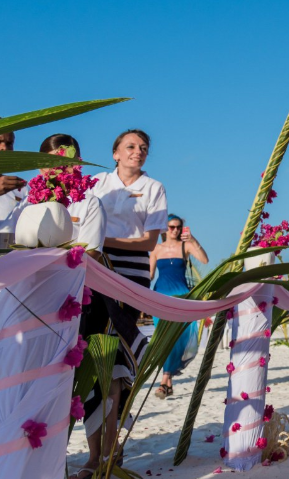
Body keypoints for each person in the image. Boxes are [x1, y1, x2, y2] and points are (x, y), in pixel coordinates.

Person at [77, 129, 167, 477]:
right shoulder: (97, 183)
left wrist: (98, 240)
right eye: (130, 146)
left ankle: (110, 451)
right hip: (94, 274)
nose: (137, 151)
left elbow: (148, 243)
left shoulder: (154, 187)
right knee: (92, 358)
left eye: (143, 147)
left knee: (117, 362)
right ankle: (94, 454)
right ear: (115, 152)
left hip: (130, 280)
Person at [149, 214, 208, 398]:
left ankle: (164, 380)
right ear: (165, 229)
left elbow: (204, 260)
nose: (175, 230)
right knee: (163, 338)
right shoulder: (156, 249)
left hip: (182, 297)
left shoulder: (186, 246)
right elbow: (149, 275)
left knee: (178, 338)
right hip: (160, 297)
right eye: (171, 227)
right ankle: (167, 382)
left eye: (178, 227)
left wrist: (193, 239)